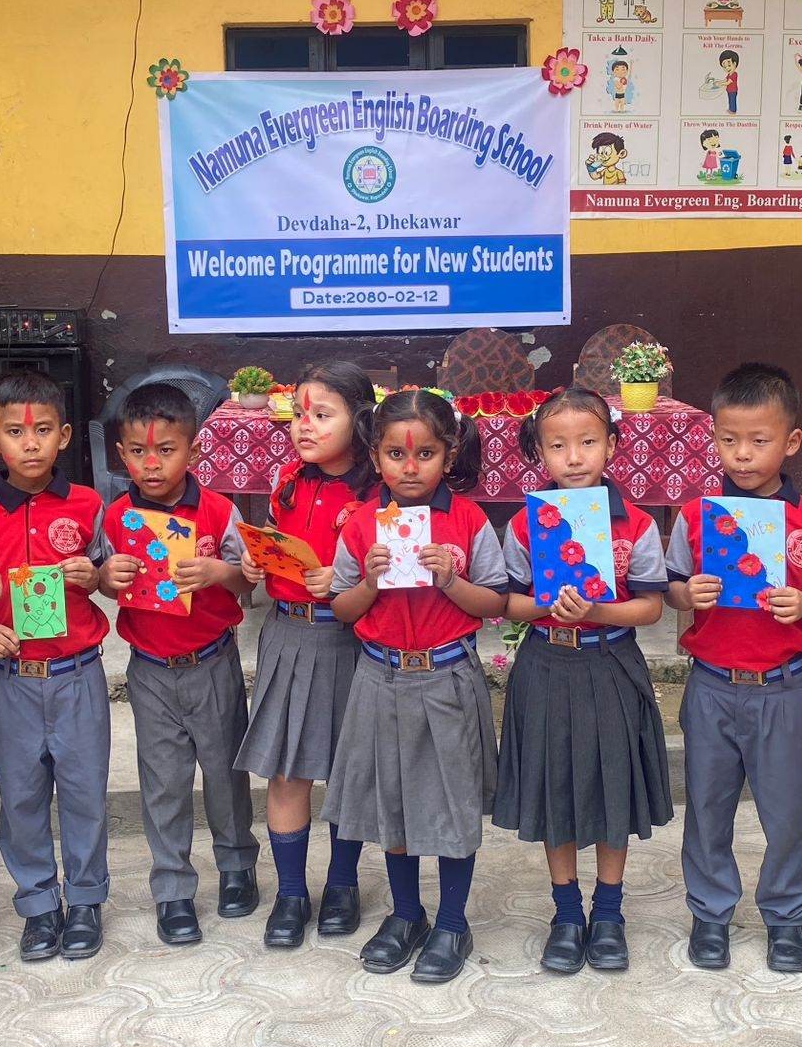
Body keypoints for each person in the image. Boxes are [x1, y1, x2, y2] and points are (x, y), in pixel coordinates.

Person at [665, 364, 802, 976]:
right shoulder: (696, 515)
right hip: (712, 685)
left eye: (759, 440)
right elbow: (671, 586)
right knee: (707, 808)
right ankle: (710, 914)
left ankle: (786, 918)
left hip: (781, 690)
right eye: (728, 439)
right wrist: (689, 593)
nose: (742, 455)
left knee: (786, 812)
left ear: (791, 442)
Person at [323, 390, 508, 986]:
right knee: (393, 801)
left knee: (452, 802)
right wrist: (370, 582)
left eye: (425, 453)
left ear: (448, 455)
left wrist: (451, 579)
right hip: (380, 677)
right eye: (395, 454)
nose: (410, 467)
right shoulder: (360, 525)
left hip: (447, 676)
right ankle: (406, 914)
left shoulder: (468, 521)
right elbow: (343, 609)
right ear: (375, 457)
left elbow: (495, 602)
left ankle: (452, 922)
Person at [494, 387, 670, 974]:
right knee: (556, 786)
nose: (574, 458)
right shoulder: (526, 524)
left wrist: (597, 611)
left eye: (588, 442)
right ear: (540, 453)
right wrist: (548, 606)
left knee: (613, 783)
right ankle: (567, 913)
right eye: (558, 446)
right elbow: (509, 602)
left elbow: (651, 607)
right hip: (546, 664)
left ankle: (609, 912)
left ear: (612, 446)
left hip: (610, 663)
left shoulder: (635, 525)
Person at [100, 382, 260, 946]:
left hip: (212, 662)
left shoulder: (218, 511)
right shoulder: (116, 517)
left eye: (166, 450)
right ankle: (172, 887)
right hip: (149, 669)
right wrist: (107, 578)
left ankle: (237, 866)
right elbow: (103, 579)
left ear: (193, 451)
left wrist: (220, 572)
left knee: (225, 773)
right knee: (163, 782)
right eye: (138, 451)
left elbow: (248, 580)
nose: (152, 463)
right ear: (121, 454)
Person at [0, 370, 112, 964]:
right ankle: (37, 903)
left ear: (64, 436)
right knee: (21, 798)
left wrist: (95, 576)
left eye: (43, 431)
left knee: (84, 793)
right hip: (13, 682)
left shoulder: (88, 504)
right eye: (14, 432)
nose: (30, 444)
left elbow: (115, 577)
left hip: (78, 675)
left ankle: (84, 900)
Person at [235, 362, 374, 949]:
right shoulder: (288, 482)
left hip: (351, 641)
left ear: (359, 421)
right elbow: (274, 542)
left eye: (322, 415)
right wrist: (254, 564)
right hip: (287, 636)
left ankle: (342, 884)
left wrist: (343, 583)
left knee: (348, 768)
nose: (305, 427)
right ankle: (291, 892)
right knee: (287, 769)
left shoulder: (376, 493)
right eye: (299, 415)